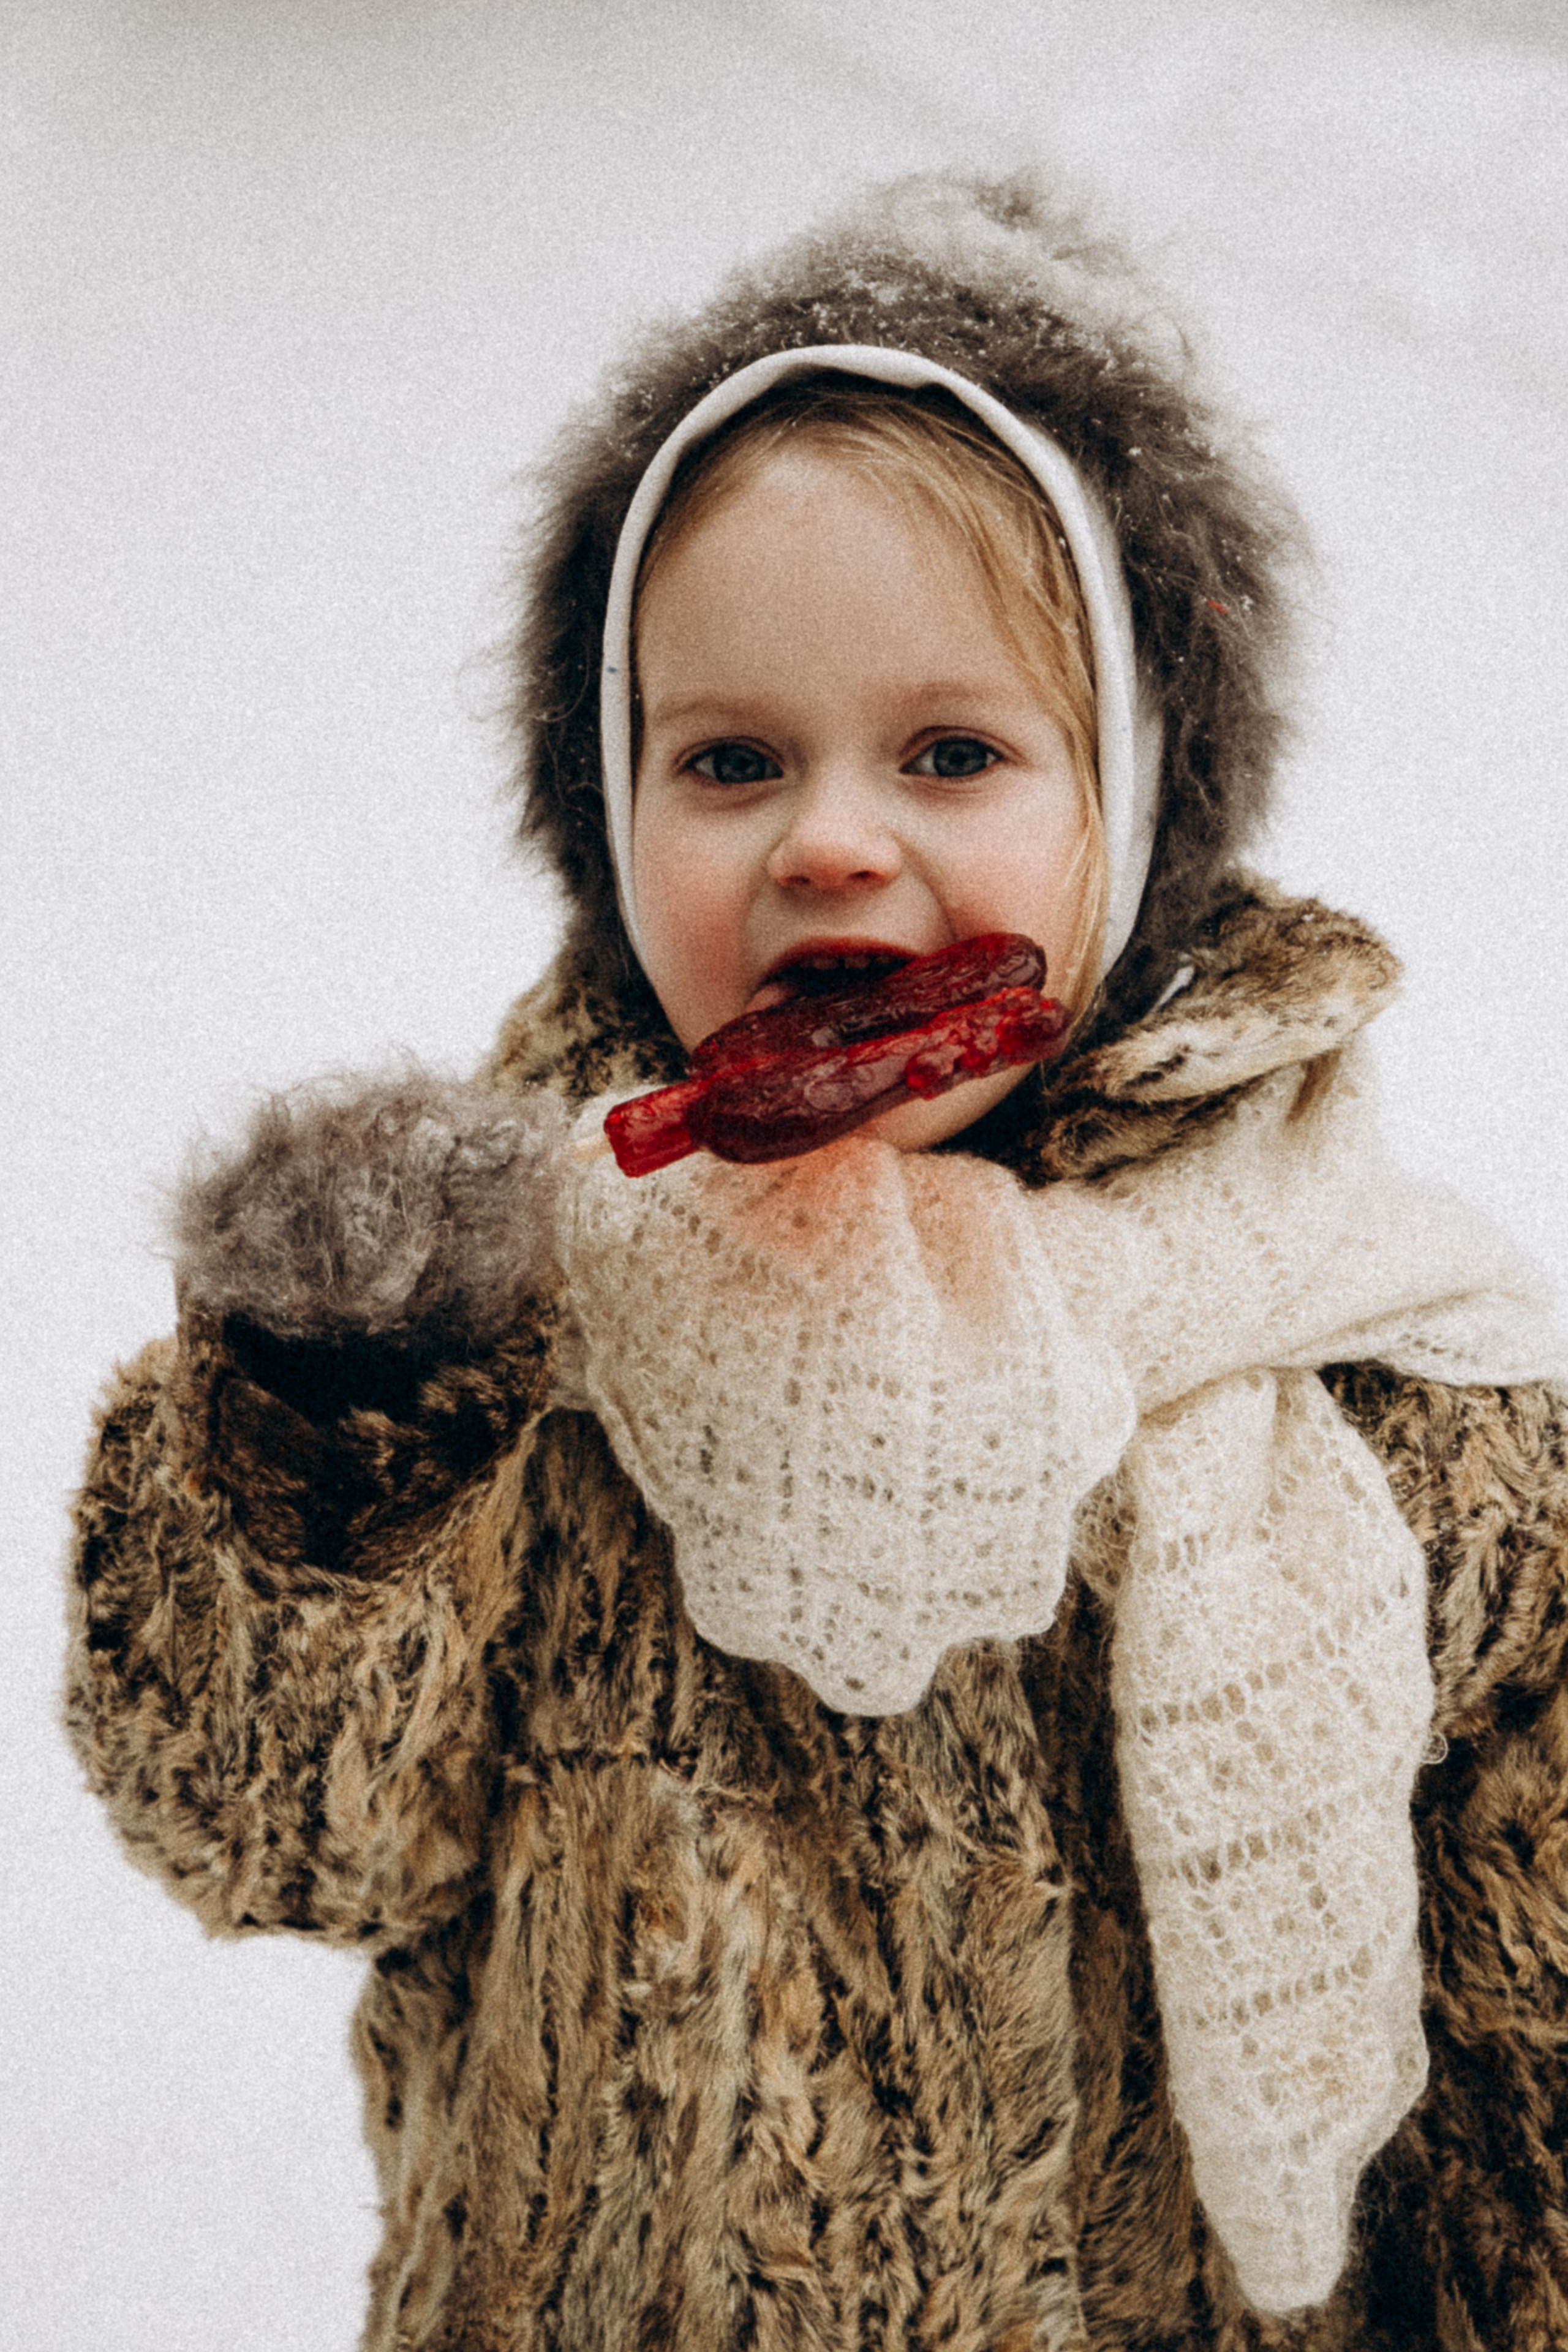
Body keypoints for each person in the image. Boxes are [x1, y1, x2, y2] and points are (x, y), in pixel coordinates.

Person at [66, 174, 1568, 2350]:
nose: (833, 840)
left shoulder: (1398, 1399)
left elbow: (1531, 2062)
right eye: (731, 760)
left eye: (954, 753)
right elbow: (271, 1838)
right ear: (611, 822)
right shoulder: (521, 1347)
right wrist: (325, 1443)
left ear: (1140, 809)